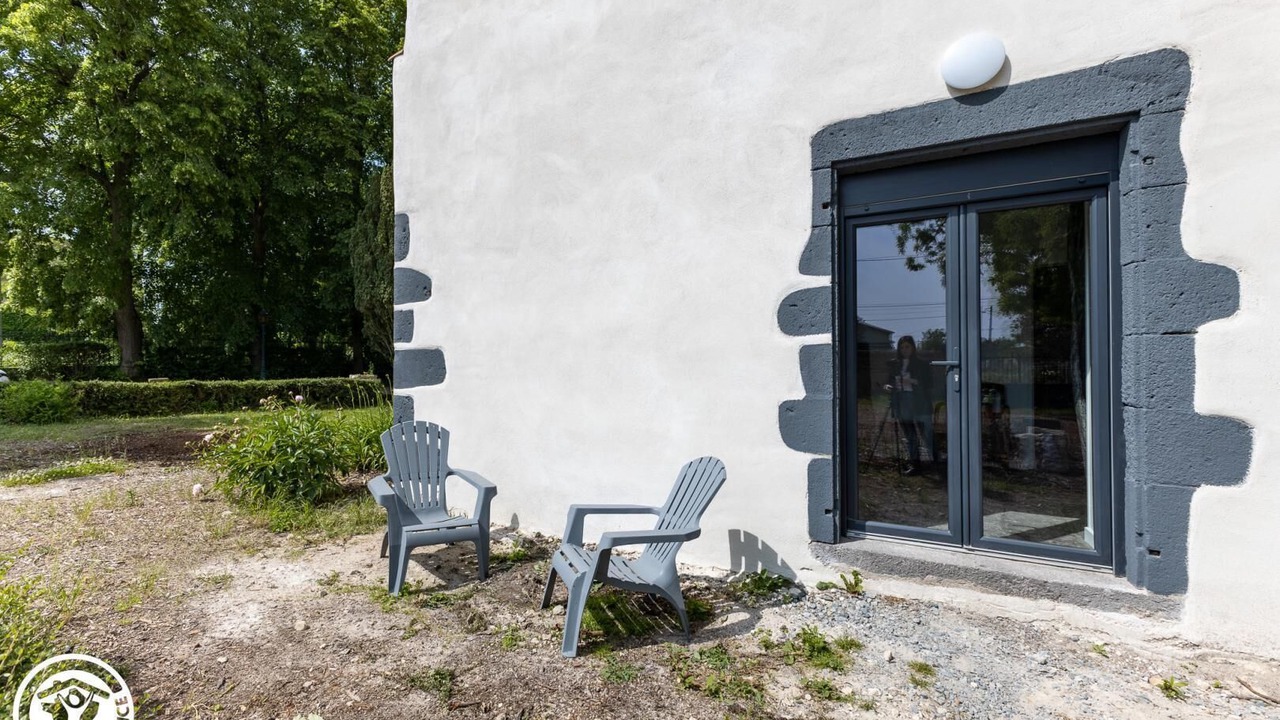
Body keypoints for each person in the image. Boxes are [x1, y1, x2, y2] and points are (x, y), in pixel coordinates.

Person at [883, 335, 935, 475]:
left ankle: (936, 462)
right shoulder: (895, 364)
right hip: (901, 400)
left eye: (907, 346)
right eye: (902, 347)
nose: (905, 350)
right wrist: (888, 386)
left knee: (926, 433)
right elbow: (889, 381)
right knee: (909, 434)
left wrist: (913, 382)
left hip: (918, 401)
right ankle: (915, 464)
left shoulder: (921, 364)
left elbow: (929, 384)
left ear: (913, 347)